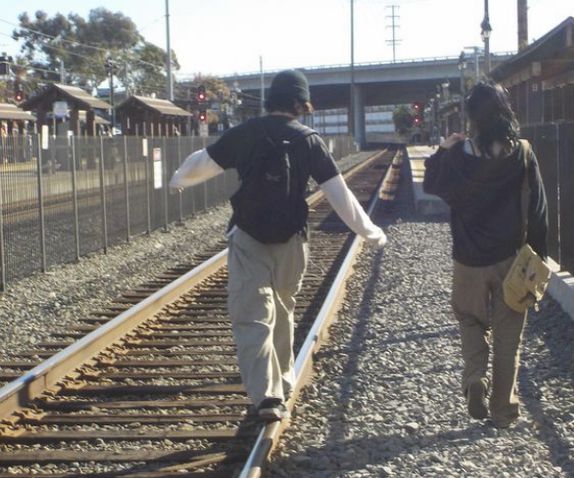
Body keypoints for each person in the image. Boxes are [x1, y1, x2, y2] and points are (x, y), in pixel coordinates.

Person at [169, 69, 387, 421]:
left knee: (253, 317)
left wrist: (178, 179)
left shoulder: (246, 134)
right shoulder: (309, 139)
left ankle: (267, 397)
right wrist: (372, 232)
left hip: (248, 237)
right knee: (284, 309)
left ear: (272, 100)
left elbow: (203, 163)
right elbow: (340, 197)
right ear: (301, 103)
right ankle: (283, 381)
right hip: (293, 240)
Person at [423, 81, 547, 428]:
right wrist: (540, 257)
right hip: (511, 258)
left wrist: (442, 150)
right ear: (506, 111)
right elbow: (538, 208)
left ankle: (475, 377)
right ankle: (503, 410)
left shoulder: (459, 156)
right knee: (509, 335)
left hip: (468, 259)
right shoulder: (521, 152)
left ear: (472, 117)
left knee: (470, 320)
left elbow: (430, 185)